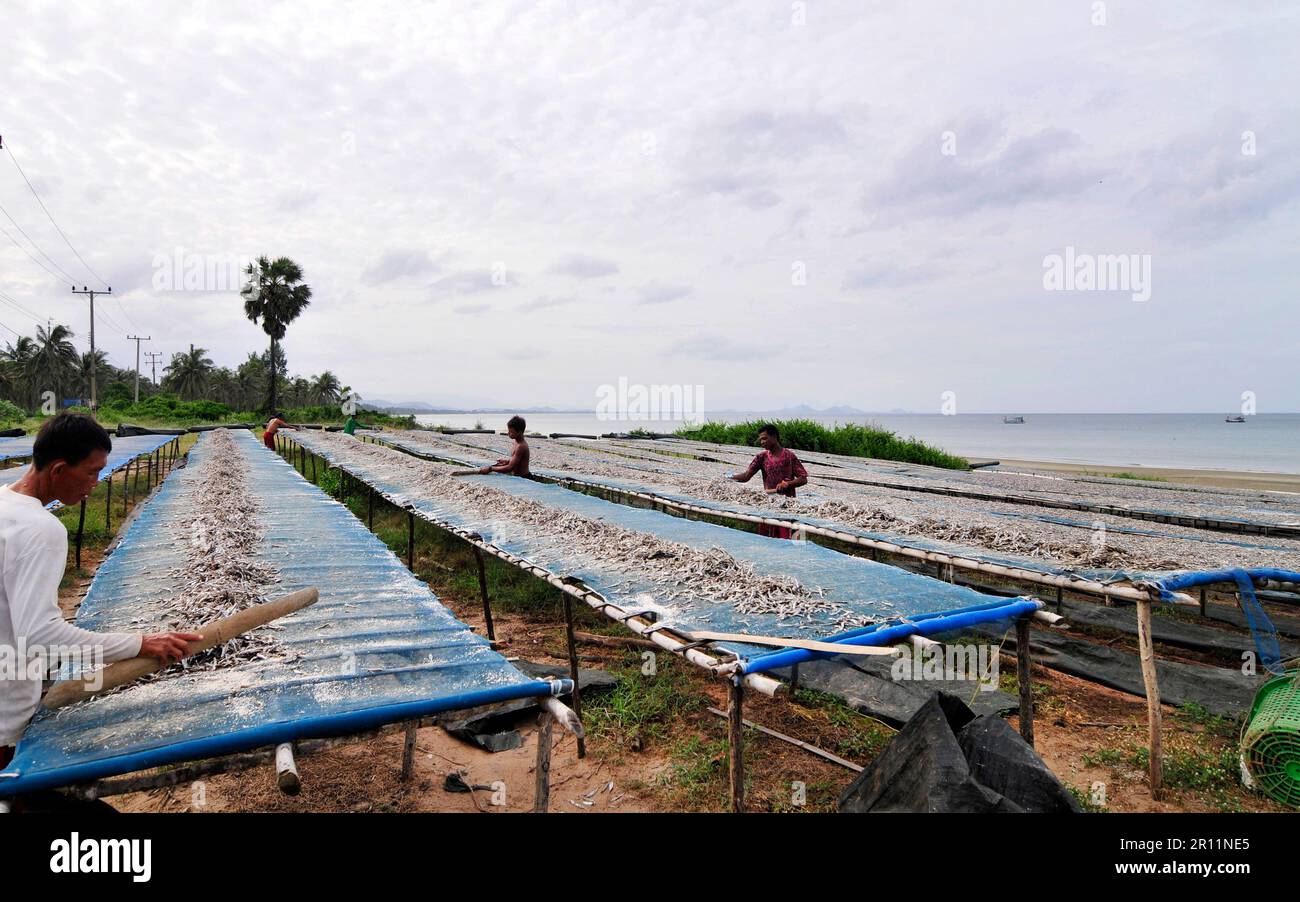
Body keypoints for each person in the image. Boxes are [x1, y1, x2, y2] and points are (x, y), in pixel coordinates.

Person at [0, 413, 199, 776]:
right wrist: (140, 644)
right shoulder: (41, 530)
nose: (97, 482)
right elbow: (40, 637)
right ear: (58, 470)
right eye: (91, 472)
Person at [730, 423, 808, 538]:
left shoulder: (789, 456)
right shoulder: (761, 457)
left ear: (774, 437)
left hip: (787, 505)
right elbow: (746, 476)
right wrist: (730, 478)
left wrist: (787, 484)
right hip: (768, 503)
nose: (762, 442)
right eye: (760, 439)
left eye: (764, 438)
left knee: (789, 539)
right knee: (767, 538)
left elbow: (803, 479)